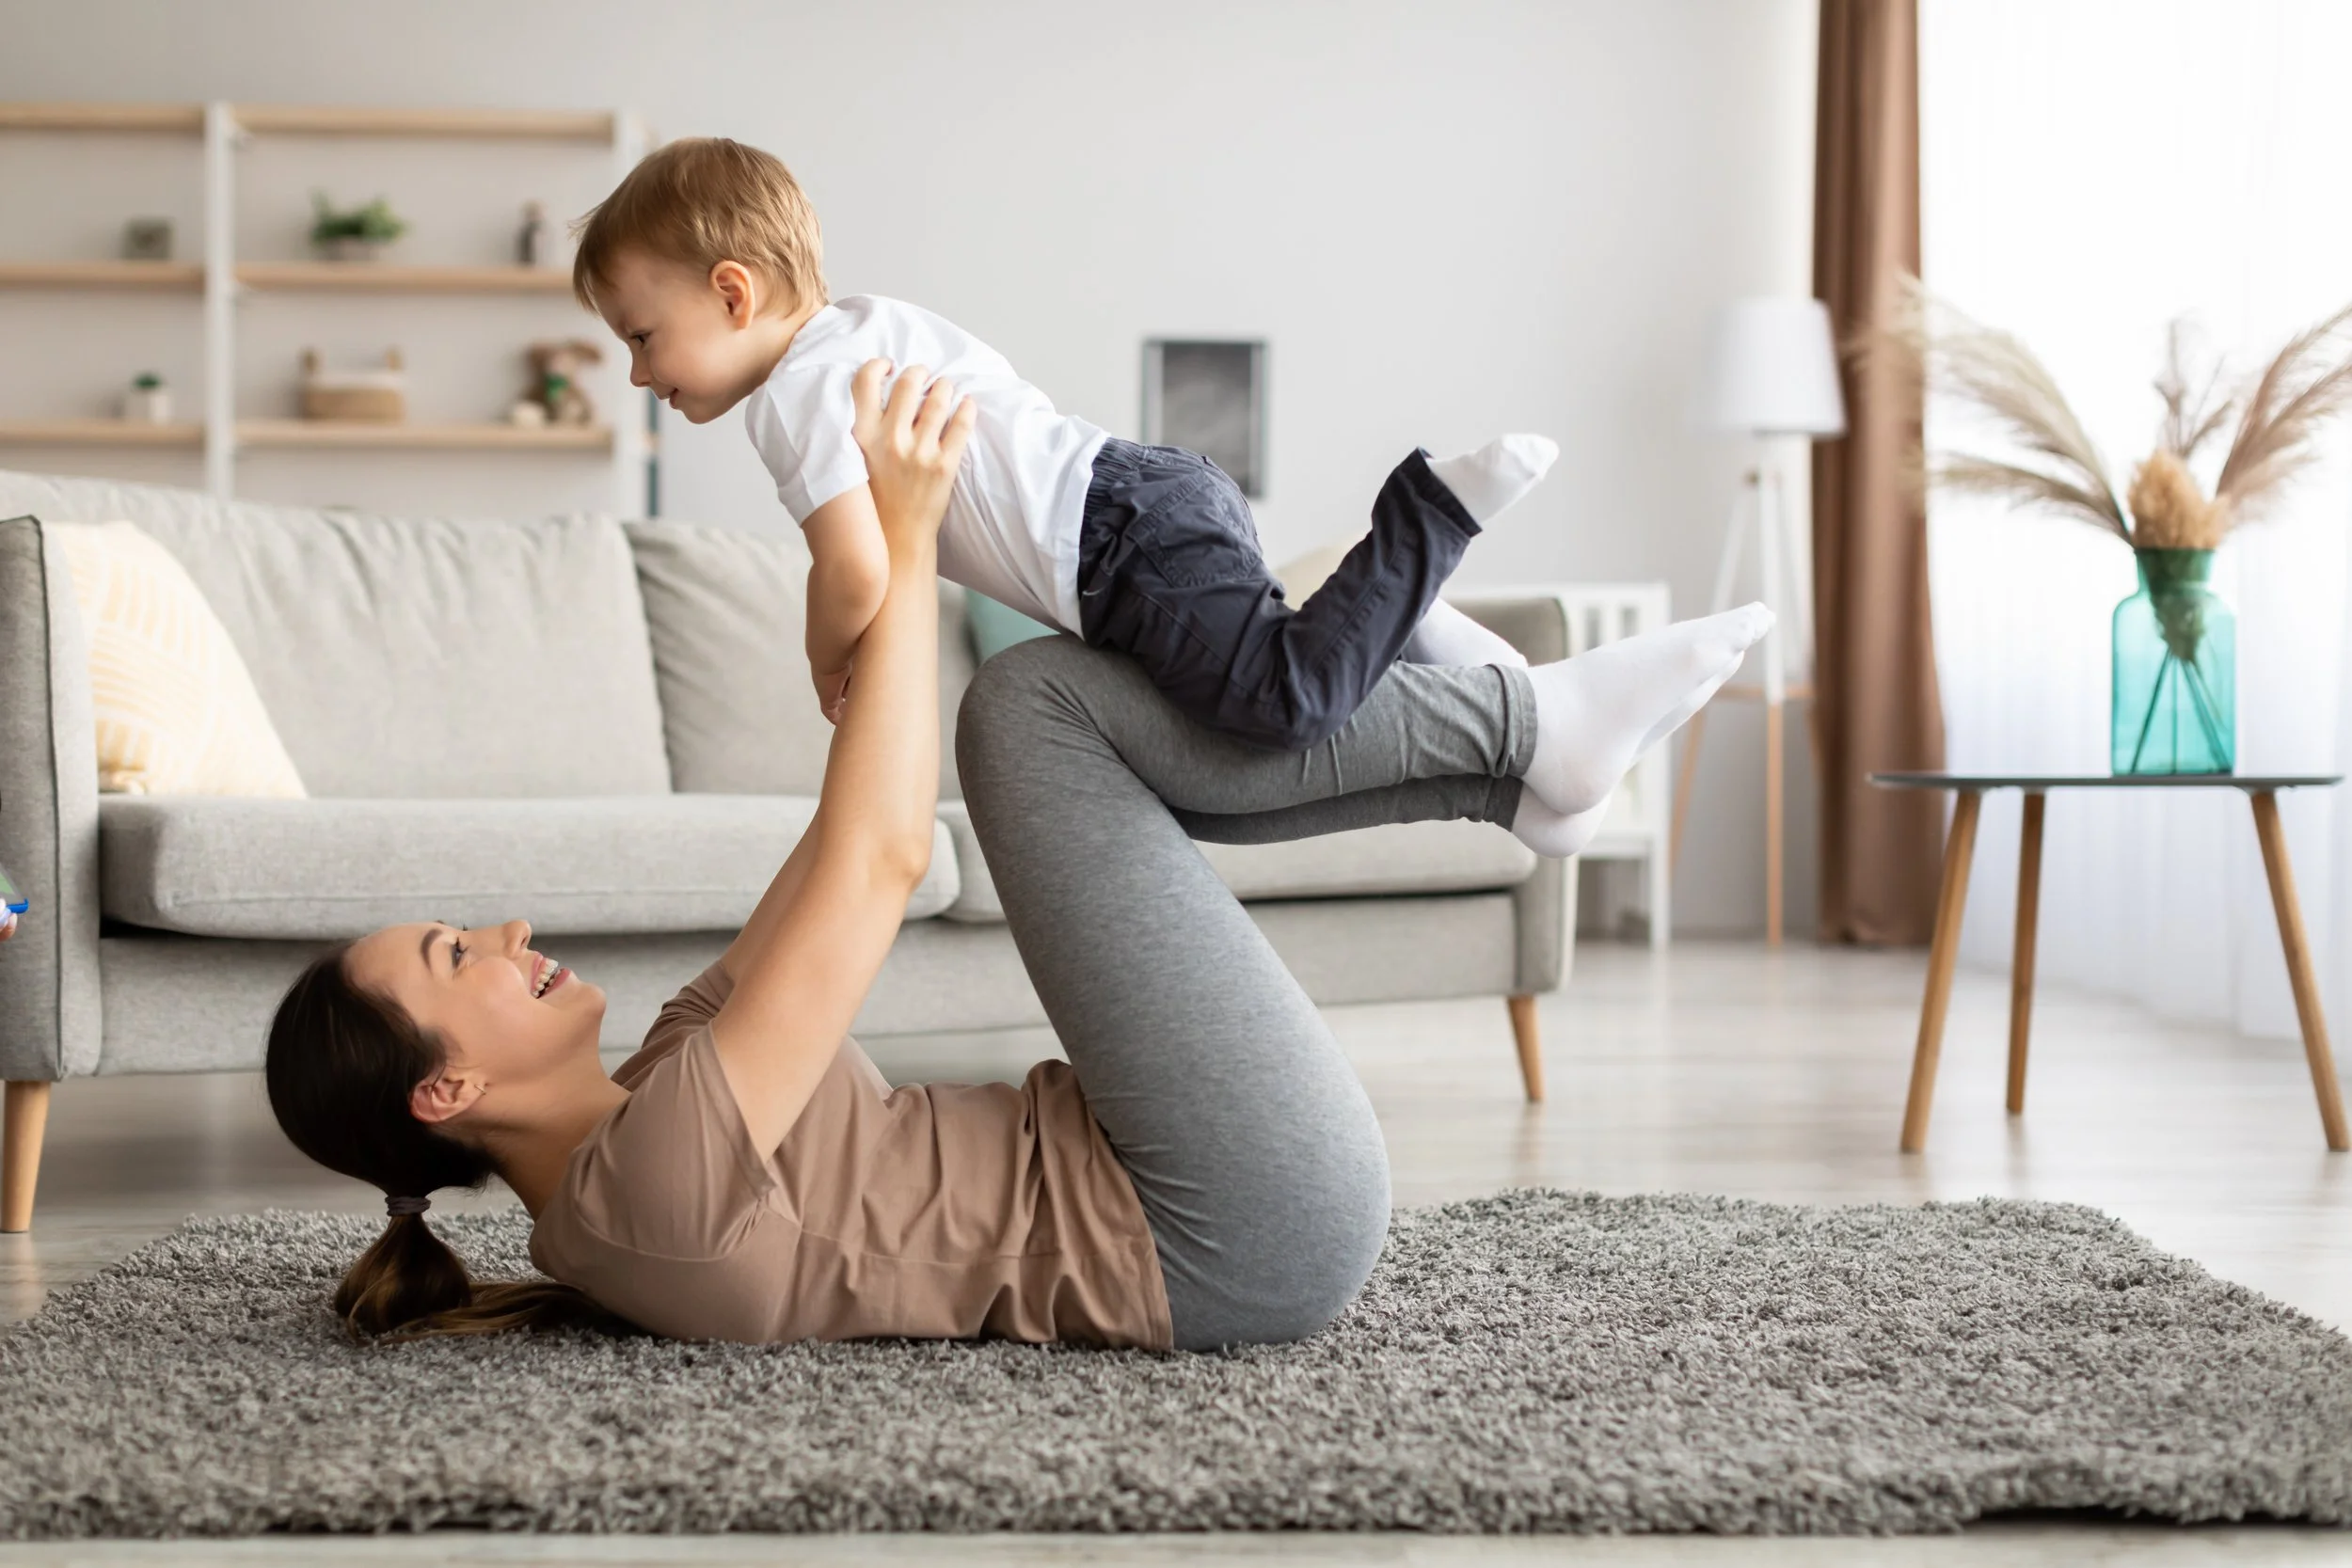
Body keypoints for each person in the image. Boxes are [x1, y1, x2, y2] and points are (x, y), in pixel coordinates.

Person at [263, 360, 1769, 1350]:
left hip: (1174, 1170)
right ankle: (1509, 732)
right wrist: (906, 539)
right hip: (1229, 1223)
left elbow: (845, 851)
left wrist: (850, 639)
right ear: (444, 1088)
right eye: (459, 954)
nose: (504, 927)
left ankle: (1509, 756)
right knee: (1033, 703)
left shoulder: (655, 1095)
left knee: (1050, 698)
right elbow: (879, 864)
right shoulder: (645, 1189)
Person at [567, 136, 1556, 752]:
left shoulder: (789, 397)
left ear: (733, 293)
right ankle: (1421, 626)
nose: (641, 375)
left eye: (643, 337)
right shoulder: (871, 322)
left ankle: (1429, 514)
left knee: (1278, 706)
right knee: (1265, 672)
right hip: (1148, 492)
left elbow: (857, 568)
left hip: (1114, 547)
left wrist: (823, 656)